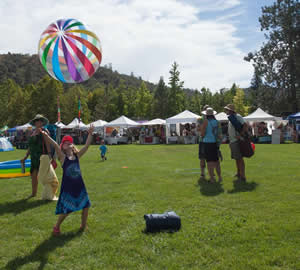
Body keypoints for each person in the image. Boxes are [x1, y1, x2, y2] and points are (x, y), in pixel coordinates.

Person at [41, 125, 94, 235]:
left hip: (79, 186)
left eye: (70, 142)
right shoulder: (63, 158)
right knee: (67, 209)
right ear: (63, 147)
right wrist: (46, 136)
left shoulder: (77, 156)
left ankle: (83, 226)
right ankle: (56, 227)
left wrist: (90, 134)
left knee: (86, 205)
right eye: (66, 142)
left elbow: (87, 145)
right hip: (68, 188)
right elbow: (55, 145)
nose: (69, 143)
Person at [21, 114, 52, 197]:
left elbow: (48, 144)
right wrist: (25, 156)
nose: (38, 122)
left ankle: (50, 193)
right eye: (36, 121)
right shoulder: (32, 132)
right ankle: (33, 193)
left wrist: (50, 155)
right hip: (33, 157)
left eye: (40, 121)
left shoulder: (45, 131)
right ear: (34, 123)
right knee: (34, 176)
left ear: (42, 122)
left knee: (45, 177)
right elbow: (30, 146)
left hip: (42, 157)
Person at [224, 104, 248, 182]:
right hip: (233, 140)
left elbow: (245, 125)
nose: (226, 111)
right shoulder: (232, 117)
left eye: (227, 110)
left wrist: (240, 134)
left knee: (240, 158)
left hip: (237, 140)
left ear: (231, 110)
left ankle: (243, 176)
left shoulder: (237, 116)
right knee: (237, 158)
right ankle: (238, 173)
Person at [201, 108, 222, 183]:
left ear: (206, 115)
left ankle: (212, 179)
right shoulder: (217, 122)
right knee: (216, 161)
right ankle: (219, 177)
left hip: (207, 143)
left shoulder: (205, 122)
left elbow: (202, 134)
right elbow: (219, 134)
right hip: (215, 143)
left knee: (209, 162)